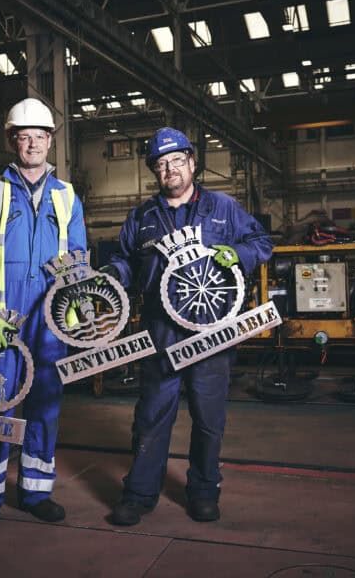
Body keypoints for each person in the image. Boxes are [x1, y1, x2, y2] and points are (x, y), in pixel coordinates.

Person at [101, 127, 273, 526]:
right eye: (161, 164)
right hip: (161, 331)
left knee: (209, 417)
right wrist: (112, 272)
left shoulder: (223, 207)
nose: (170, 169)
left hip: (212, 330)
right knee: (151, 415)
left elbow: (262, 240)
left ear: (193, 163)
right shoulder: (143, 216)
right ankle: (140, 494)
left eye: (177, 160)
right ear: (154, 171)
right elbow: (127, 260)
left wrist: (239, 253)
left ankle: (203, 491)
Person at [0, 97, 86, 536]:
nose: (32, 143)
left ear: (51, 141)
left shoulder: (67, 196)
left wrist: (79, 314)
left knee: (46, 402)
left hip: (51, 316)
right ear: (13, 141)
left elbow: (79, 259)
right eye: (24, 136)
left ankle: (35, 492)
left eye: (40, 136)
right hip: (4, 316)